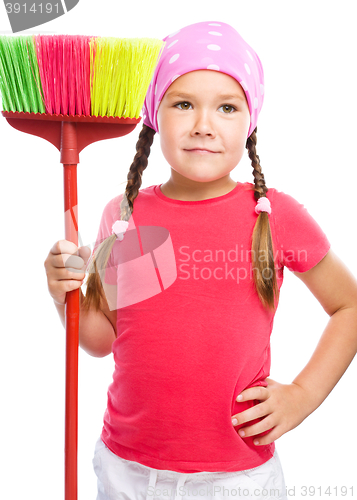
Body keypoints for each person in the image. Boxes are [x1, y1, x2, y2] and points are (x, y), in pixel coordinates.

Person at [44, 21, 357, 500]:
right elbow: (102, 339)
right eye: (183, 103)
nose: (203, 124)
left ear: (249, 121)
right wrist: (62, 291)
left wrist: (303, 396)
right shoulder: (124, 215)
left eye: (227, 107)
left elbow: (348, 308)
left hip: (236, 478)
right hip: (126, 469)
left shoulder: (273, 215)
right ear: (154, 115)